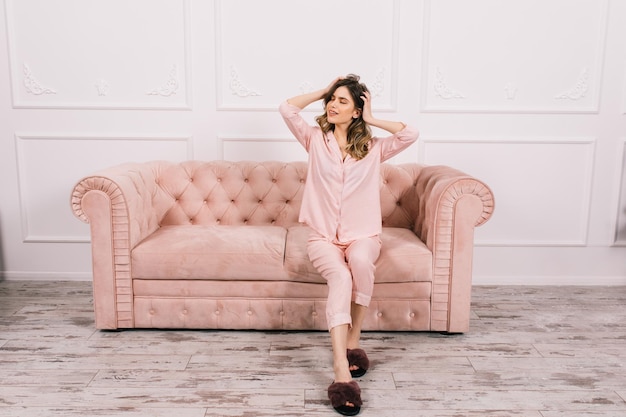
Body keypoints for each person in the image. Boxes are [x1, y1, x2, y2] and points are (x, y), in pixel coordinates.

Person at [279, 74, 419, 416]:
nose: (333, 105)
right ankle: (341, 369)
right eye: (332, 99)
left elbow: (410, 133)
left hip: (363, 235)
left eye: (343, 101)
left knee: (359, 263)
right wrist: (324, 90)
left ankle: (354, 338)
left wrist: (371, 118)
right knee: (340, 279)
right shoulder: (314, 140)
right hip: (323, 237)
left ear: (356, 111)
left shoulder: (373, 148)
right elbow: (285, 109)